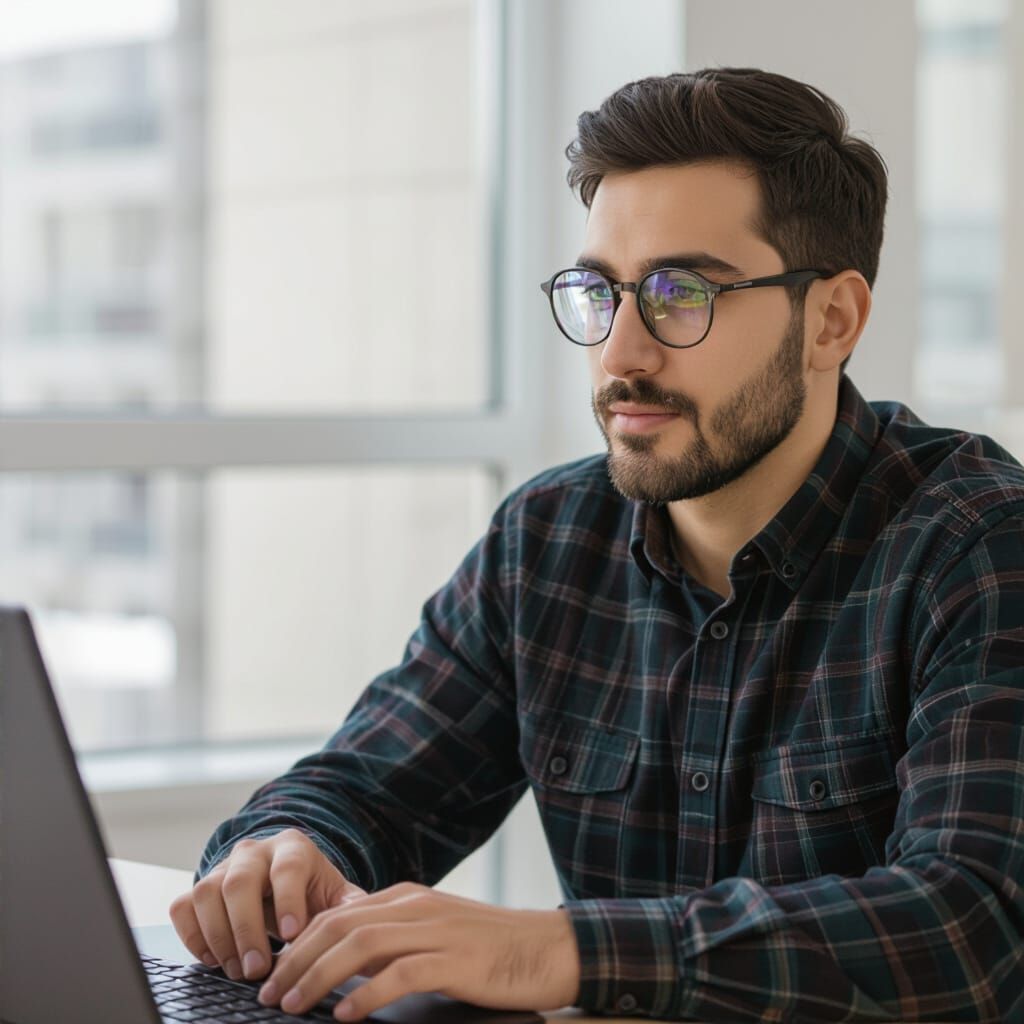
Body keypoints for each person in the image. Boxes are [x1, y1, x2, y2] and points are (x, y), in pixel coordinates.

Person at [169, 68, 1024, 1022]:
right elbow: (370, 789)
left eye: (680, 293)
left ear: (831, 320)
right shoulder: (546, 541)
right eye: (598, 292)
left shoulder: (980, 547)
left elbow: (975, 926)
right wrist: (285, 850)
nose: (620, 353)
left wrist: (560, 949)